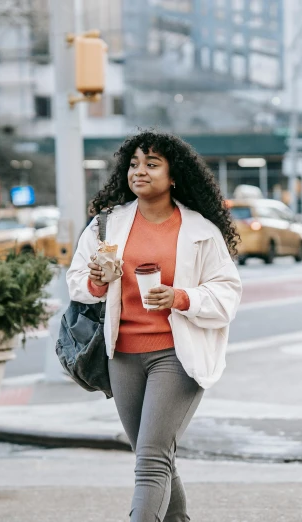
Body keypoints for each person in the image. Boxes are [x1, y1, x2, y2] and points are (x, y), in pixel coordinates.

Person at [67, 131, 242, 522]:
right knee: (156, 456)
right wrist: (99, 279)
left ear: (173, 174)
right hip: (123, 356)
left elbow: (228, 294)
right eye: (133, 164)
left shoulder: (200, 231)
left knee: (150, 460)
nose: (139, 171)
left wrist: (180, 297)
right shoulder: (106, 226)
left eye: (151, 163)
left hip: (177, 356)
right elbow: (78, 282)